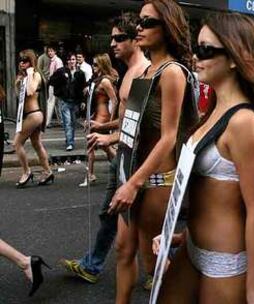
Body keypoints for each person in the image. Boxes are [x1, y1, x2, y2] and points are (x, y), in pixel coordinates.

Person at [157, 12, 254, 303]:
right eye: (197, 48)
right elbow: (212, 195)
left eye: (206, 49)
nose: (197, 56)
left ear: (235, 57)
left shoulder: (244, 122)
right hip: (192, 245)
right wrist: (180, 234)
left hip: (225, 263)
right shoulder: (213, 110)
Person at [107, 0, 198, 302]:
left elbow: (169, 137)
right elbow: (133, 129)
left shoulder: (172, 72)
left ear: (168, 28)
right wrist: (111, 141)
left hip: (156, 181)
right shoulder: (147, 71)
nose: (138, 28)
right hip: (133, 174)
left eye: (147, 23)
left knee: (153, 262)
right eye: (139, 22)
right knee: (123, 249)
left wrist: (133, 183)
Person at [61, 12, 151, 284]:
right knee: (116, 215)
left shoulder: (142, 73)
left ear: (136, 39)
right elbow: (126, 118)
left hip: (134, 159)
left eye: (119, 38)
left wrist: (107, 139)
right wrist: (103, 128)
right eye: (112, 39)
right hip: (124, 156)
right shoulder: (128, 73)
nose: (113, 44)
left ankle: (160, 269)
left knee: (141, 222)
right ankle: (94, 265)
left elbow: (140, 125)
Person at [14, 49, 54, 187]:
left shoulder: (35, 74)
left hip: (34, 114)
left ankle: (26, 172)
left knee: (17, 143)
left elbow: (31, 91)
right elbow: (19, 96)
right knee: (37, 144)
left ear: (31, 61)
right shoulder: (25, 76)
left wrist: (30, 74)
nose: (21, 63)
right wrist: (19, 81)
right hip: (30, 115)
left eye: (25, 61)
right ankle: (48, 171)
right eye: (20, 61)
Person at [79, 53, 118, 186]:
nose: (93, 67)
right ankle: (115, 168)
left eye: (96, 64)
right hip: (97, 115)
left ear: (102, 64)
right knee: (102, 146)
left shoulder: (105, 81)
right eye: (93, 64)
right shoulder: (98, 80)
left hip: (103, 117)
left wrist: (111, 122)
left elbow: (115, 100)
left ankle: (90, 175)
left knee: (95, 145)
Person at [49, 53, 87, 151]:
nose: (72, 61)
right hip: (65, 101)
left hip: (75, 101)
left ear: (76, 61)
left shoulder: (80, 73)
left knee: (73, 122)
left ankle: (69, 140)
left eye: (73, 59)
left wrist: (83, 101)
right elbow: (52, 80)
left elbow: (82, 87)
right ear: (67, 61)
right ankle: (70, 143)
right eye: (70, 60)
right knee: (67, 123)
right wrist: (60, 91)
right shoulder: (61, 71)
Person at [45, 44, 64, 127]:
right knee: (56, 103)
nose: (50, 53)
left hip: (55, 84)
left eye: (51, 51)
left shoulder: (57, 61)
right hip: (54, 84)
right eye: (49, 51)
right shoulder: (53, 60)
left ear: (55, 51)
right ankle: (62, 121)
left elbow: (60, 73)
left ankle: (47, 122)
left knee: (51, 102)